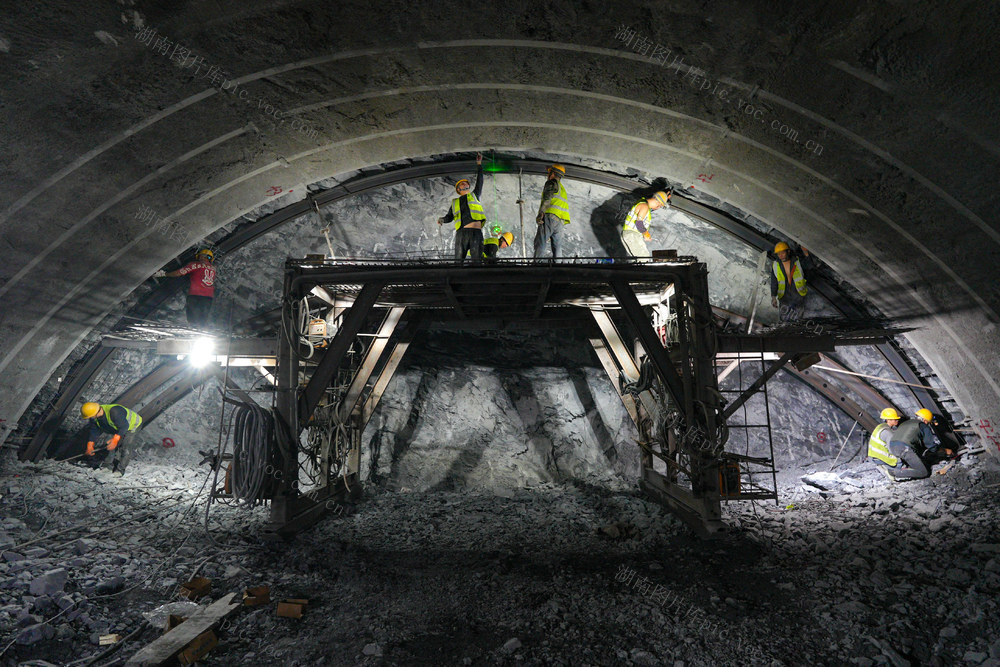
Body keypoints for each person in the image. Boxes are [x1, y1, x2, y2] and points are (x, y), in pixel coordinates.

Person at [438, 153, 485, 264]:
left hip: (475, 232)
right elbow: (449, 217)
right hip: (461, 234)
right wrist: (442, 220)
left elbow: (480, 181)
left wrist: (479, 164)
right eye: (462, 184)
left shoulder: (475, 195)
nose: (464, 184)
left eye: (465, 183)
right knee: (458, 261)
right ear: (458, 189)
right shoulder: (455, 202)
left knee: (477, 261)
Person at [883, 409, 952, 481]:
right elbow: (931, 446)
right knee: (923, 472)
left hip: (893, 446)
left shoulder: (906, 422)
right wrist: (945, 451)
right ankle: (893, 472)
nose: (928, 424)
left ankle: (910, 468)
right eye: (928, 422)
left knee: (920, 460)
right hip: (904, 448)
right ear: (925, 420)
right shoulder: (923, 426)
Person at [154, 248, 217, 328]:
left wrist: (164, 274)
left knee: (192, 319)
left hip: (195, 295)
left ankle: (193, 329)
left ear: (200, 256)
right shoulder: (213, 268)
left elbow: (178, 273)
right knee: (202, 320)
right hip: (208, 297)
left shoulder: (195, 265)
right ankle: (200, 330)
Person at [81, 401, 143, 475]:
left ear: (96, 413)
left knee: (125, 447)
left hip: (133, 425)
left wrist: (115, 440)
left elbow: (124, 426)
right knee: (108, 444)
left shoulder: (115, 411)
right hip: (117, 426)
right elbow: (95, 430)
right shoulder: (95, 417)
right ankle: (108, 465)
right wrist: (90, 444)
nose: (90, 418)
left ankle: (120, 469)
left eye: (91, 416)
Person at [620, 190, 671, 259]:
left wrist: (665, 197)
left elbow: (651, 209)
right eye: (660, 206)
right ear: (658, 202)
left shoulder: (644, 204)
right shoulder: (644, 206)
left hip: (629, 235)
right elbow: (639, 224)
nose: (658, 207)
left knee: (638, 259)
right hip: (632, 235)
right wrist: (646, 234)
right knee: (644, 258)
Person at [534, 164, 570, 258]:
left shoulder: (551, 183)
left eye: (549, 173)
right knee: (557, 247)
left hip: (550, 218)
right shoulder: (562, 189)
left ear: (552, 173)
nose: (548, 175)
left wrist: (541, 214)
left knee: (540, 241)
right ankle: (558, 264)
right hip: (560, 221)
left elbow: (547, 199)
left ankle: (536, 264)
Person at [770, 242, 809, 322]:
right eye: (778, 254)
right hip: (784, 297)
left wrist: (806, 253)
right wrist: (773, 297)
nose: (780, 255)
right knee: (784, 321)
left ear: (788, 251)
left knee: (798, 320)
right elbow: (774, 282)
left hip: (798, 294)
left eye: (782, 253)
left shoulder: (797, 261)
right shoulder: (776, 265)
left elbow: (810, 266)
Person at [868, 407, 902, 474]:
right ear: (888, 420)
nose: (897, 420)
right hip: (880, 458)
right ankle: (888, 470)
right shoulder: (888, 433)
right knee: (900, 461)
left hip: (872, 456)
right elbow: (892, 450)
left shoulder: (880, 427)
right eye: (895, 419)